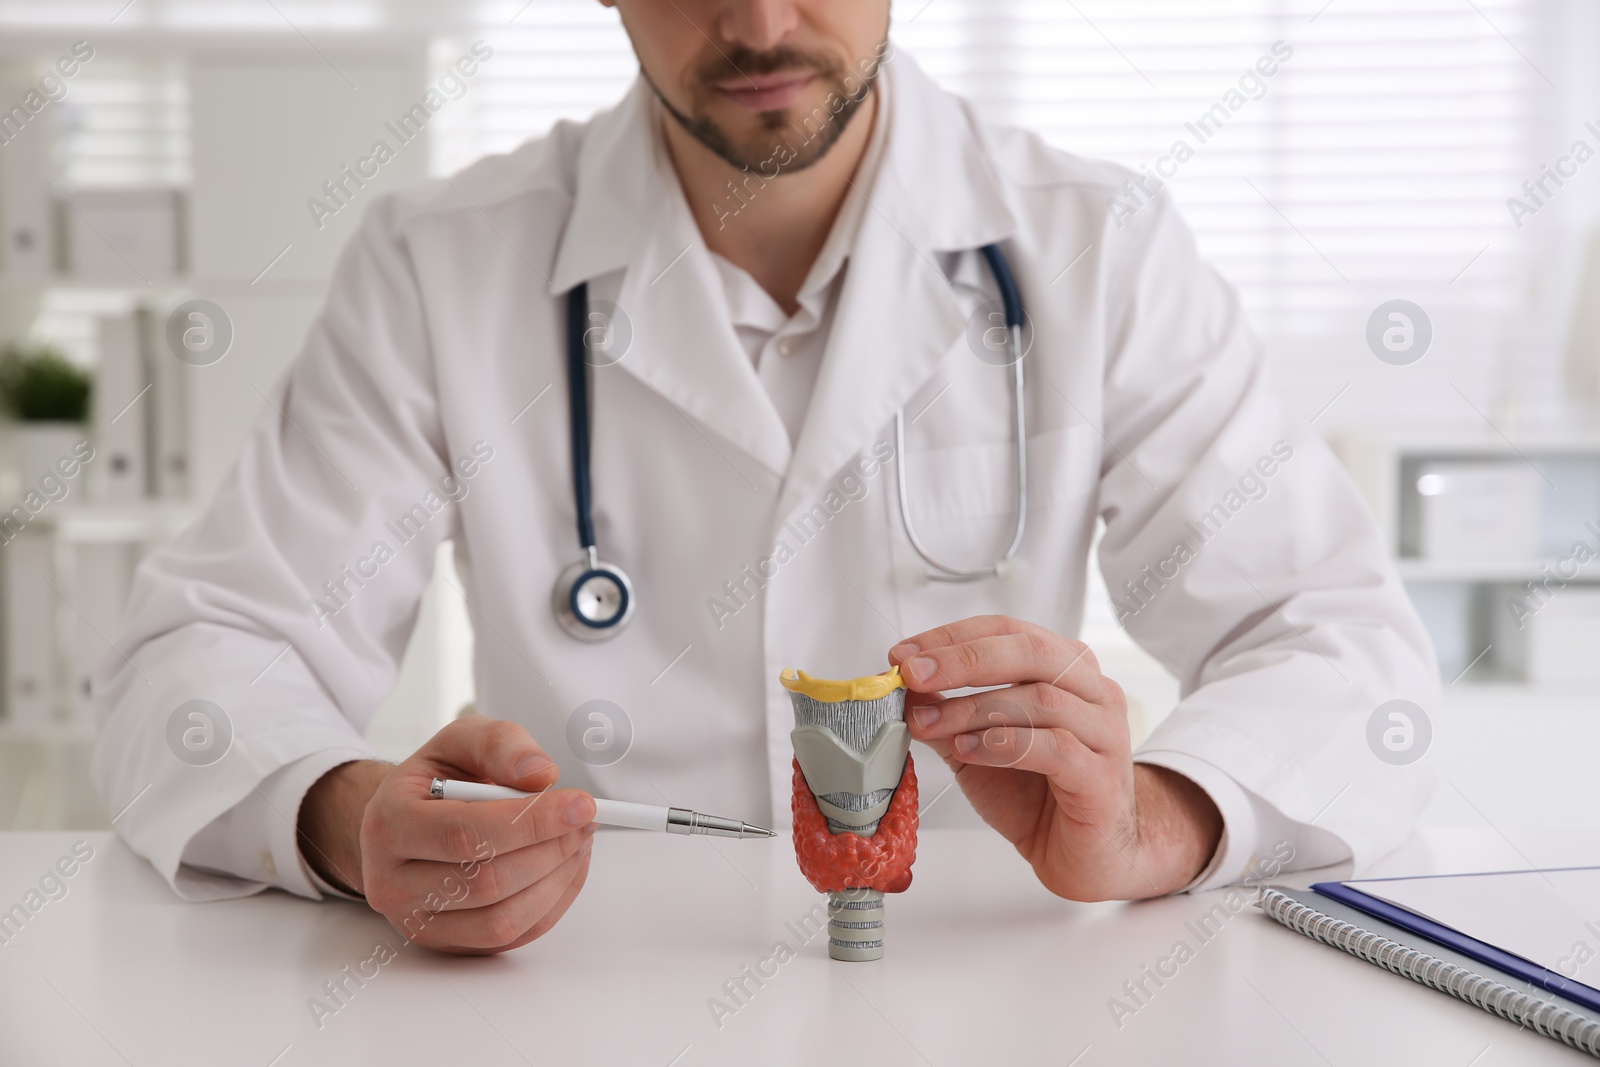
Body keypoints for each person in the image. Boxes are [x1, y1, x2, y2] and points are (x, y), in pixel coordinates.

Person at [92, 0, 1437, 955]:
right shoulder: (441, 265)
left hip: (990, 991)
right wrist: (345, 820)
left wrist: (1165, 817)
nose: (757, 20)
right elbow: (204, 653)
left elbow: (1337, 645)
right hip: (572, 996)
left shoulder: (1099, 248)